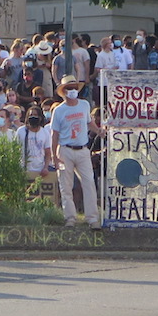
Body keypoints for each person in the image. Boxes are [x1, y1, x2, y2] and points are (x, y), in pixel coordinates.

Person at [51, 74, 100, 229]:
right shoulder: (59, 111)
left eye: (74, 88)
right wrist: (54, 156)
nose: (72, 91)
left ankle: (92, 218)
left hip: (83, 149)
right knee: (66, 186)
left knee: (89, 183)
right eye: (69, 88)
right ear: (64, 91)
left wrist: (99, 131)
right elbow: (54, 134)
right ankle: (70, 218)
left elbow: (89, 122)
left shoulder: (84, 105)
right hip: (65, 149)